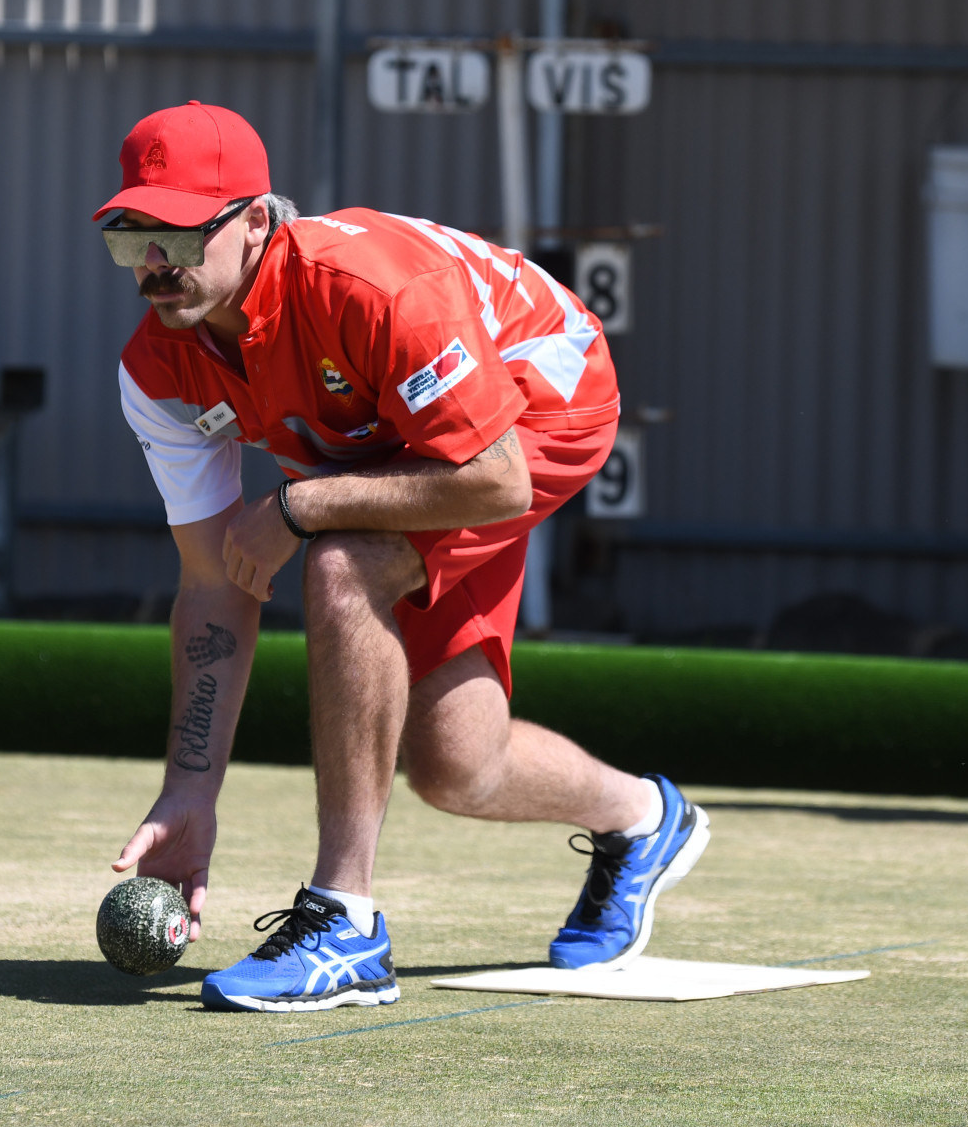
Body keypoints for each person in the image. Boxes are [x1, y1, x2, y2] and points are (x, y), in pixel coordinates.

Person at [97, 101, 710, 1012]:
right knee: (456, 764)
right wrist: (190, 789)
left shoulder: (371, 287)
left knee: (341, 558)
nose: (154, 264)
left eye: (180, 235)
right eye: (131, 237)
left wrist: (299, 503)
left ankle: (343, 921)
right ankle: (643, 818)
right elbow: (212, 581)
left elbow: (494, 478)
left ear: (257, 220)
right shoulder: (156, 370)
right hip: (394, 443)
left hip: (540, 405)